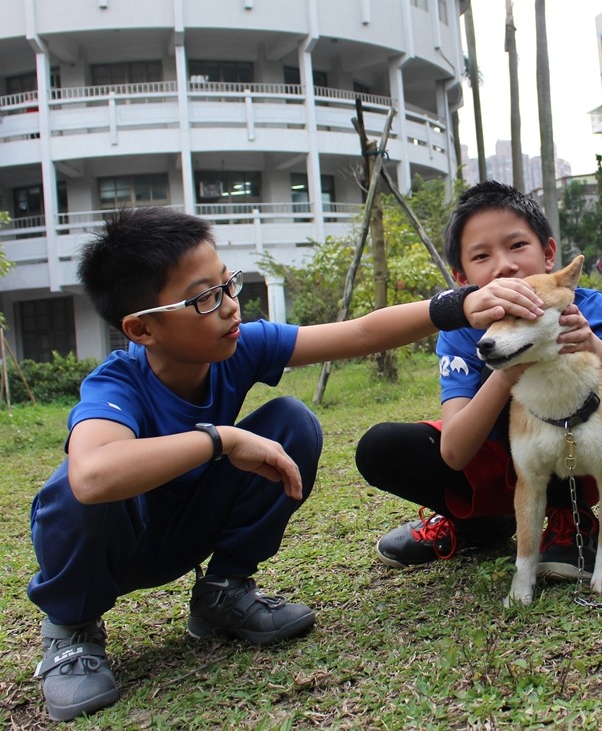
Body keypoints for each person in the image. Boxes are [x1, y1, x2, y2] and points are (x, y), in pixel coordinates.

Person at [28, 206, 543, 723]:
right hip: (121, 545)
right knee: (72, 482)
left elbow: (359, 333)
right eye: (206, 298)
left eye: (228, 285)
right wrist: (221, 439)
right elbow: (93, 476)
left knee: (290, 424)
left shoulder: (238, 347)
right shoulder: (116, 384)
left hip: (190, 526)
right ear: (142, 330)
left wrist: (460, 304)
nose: (231, 306)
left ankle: (224, 592)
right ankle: (72, 631)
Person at [355, 182, 602, 577]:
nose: (503, 265)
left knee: (558, 400)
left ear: (548, 254)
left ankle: (570, 520)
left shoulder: (589, 309)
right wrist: (509, 364)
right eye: (482, 255)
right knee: (380, 448)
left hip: (581, 462)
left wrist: (591, 343)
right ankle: (478, 523)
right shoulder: (460, 332)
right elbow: (454, 451)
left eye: (517, 245)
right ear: (463, 277)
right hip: (505, 460)